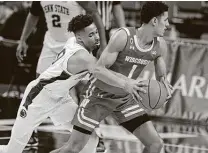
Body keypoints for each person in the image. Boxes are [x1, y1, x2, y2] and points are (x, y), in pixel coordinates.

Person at [52, 2, 173, 153]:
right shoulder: (124, 36)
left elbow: (161, 74)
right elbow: (98, 70)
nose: (168, 25)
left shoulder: (160, 45)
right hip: (99, 96)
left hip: (124, 100)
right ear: (154, 21)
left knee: (156, 144)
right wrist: (125, 83)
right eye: (165, 20)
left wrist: (164, 85)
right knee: (73, 148)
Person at [0, 14, 102, 153]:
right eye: (91, 34)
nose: (97, 37)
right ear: (79, 37)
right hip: (38, 97)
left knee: (89, 136)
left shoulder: (73, 41)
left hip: (61, 99)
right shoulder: (83, 57)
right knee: (13, 150)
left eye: (96, 32)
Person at [16, 1, 106, 77]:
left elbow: (94, 13)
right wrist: (23, 40)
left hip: (75, 45)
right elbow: (33, 15)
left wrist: (103, 45)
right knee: (40, 82)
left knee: (78, 88)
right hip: (51, 44)